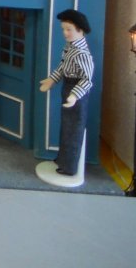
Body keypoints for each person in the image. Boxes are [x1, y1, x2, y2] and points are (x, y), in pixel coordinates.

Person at [39, 9, 94, 176]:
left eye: (69, 29)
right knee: (66, 126)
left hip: (76, 90)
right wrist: (52, 80)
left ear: (80, 30)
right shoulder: (70, 47)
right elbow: (63, 67)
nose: (65, 33)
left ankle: (69, 166)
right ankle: (63, 159)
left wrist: (74, 95)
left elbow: (87, 79)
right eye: (63, 29)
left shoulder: (82, 53)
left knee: (73, 128)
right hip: (67, 86)